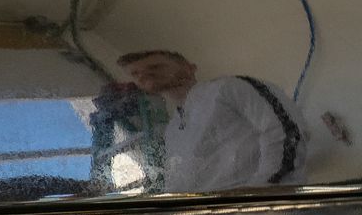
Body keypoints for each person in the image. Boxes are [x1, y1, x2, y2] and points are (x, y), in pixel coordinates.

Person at [118, 50, 306, 191]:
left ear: (190, 68)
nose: (144, 75)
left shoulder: (229, 88)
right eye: (135, 73)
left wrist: (260, 191)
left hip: (262, 212)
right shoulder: (173, 128)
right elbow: (179, 179)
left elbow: (283, 131)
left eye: (155, 67)